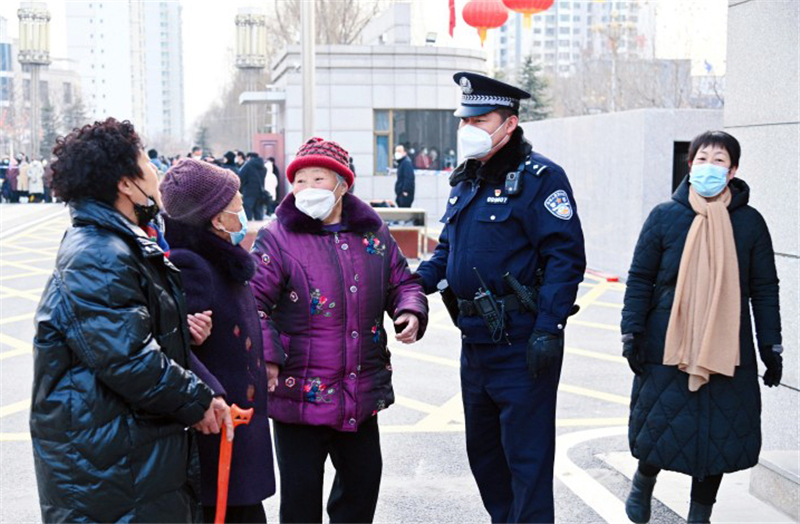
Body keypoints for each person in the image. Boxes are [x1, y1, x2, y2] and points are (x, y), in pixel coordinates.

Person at [30, 118, 232, 523]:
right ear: (126, 184)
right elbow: (128, 357)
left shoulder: (119, 243)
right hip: (108, 465)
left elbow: (123, 336)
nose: (156, 172)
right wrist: (197, 400)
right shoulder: (99, 254)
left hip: (122, 453)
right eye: (147, 163)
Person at [416, 72, 586, 523]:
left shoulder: (541, 178)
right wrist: (411, 286)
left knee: (526, 460)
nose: (468, 128)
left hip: (523, 342)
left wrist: (549, 329)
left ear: (509, 124)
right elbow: (447, 251)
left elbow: (565, 258)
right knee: (485, 456)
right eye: (464, 120)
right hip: (475, 342)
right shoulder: (467, 180)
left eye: (480, 120)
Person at [250, 137, 429, 523]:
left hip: (359, 393)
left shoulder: (373, 233)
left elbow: (403, 282)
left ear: (342, 185)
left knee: (361, 490)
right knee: (300, 503)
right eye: (299, 180)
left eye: (318, 179)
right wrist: (267, 356)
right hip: (298, 396)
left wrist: (410, 310)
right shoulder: (277, 237)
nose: (307, 188)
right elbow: (253, 303)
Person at [621, 131, 783, 524]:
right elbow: (640, 278)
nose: (709, 167)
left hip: (727, 343)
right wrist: (632, 333)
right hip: (667, 341)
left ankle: (700, 515)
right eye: (702, 159)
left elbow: (764, 288)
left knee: (718, 436)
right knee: (660, 422)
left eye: (719, 160)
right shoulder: (664, 216)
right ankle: (643, 481)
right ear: (690, 165)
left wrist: (771, 346)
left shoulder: (750, 223)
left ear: (733, 171)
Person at [161, 159, 276, 523]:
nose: (244, 211)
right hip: (221, 426)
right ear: (216, 219)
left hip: (242, 421)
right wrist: (208, 386)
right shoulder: (193, 265)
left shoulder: (224, 258)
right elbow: (174, 345)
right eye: (237, 205)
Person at [239, 152, 266, 221]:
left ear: (249, 158)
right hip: (260, 192)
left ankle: (249, 227)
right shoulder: (263, 167)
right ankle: (259, 227)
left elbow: (240, 177)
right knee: (259, 212)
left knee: (247, 212)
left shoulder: (248, 166)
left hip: (249, 192)